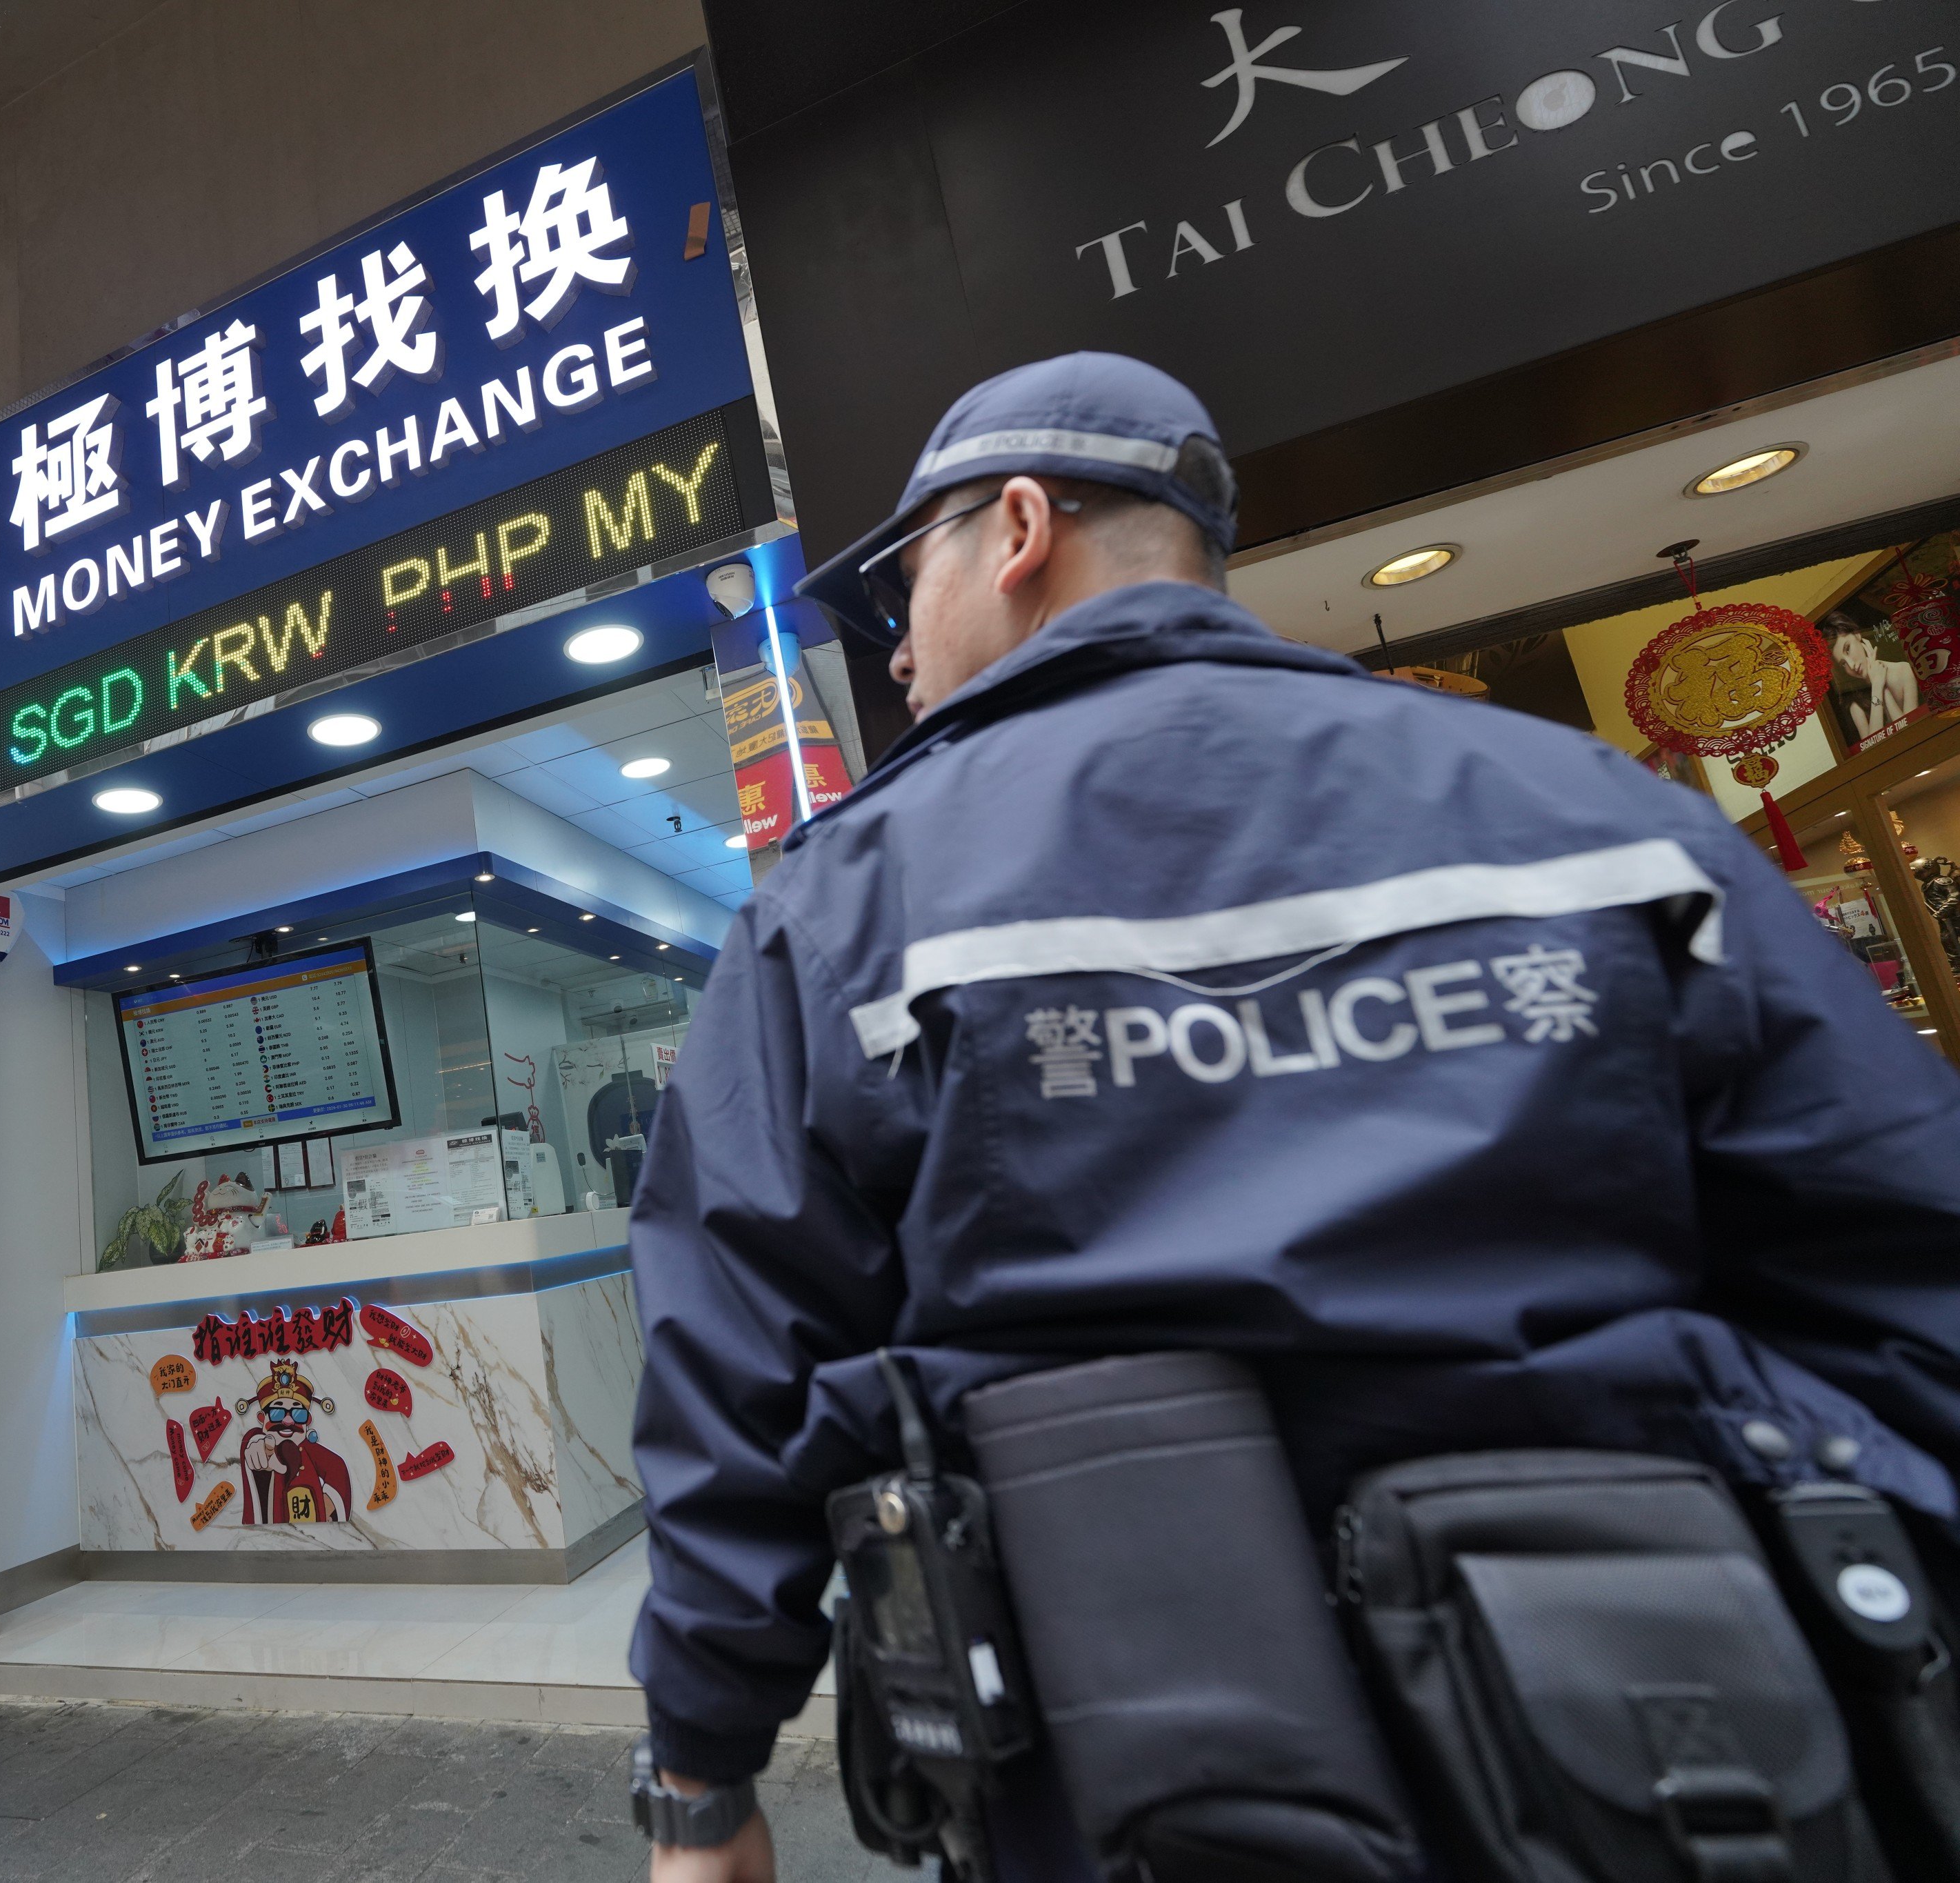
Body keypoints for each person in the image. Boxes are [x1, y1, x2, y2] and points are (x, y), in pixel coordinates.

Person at [621, 352, 1960, 1880]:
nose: (900, 659)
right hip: (1678, 1754)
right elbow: (1904, 1265)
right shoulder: (1598, 813)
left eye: (900, 589)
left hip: (1122, 1773)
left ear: (1015, 530)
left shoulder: (844, 908)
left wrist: (701, 1777)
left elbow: (739, 1382)